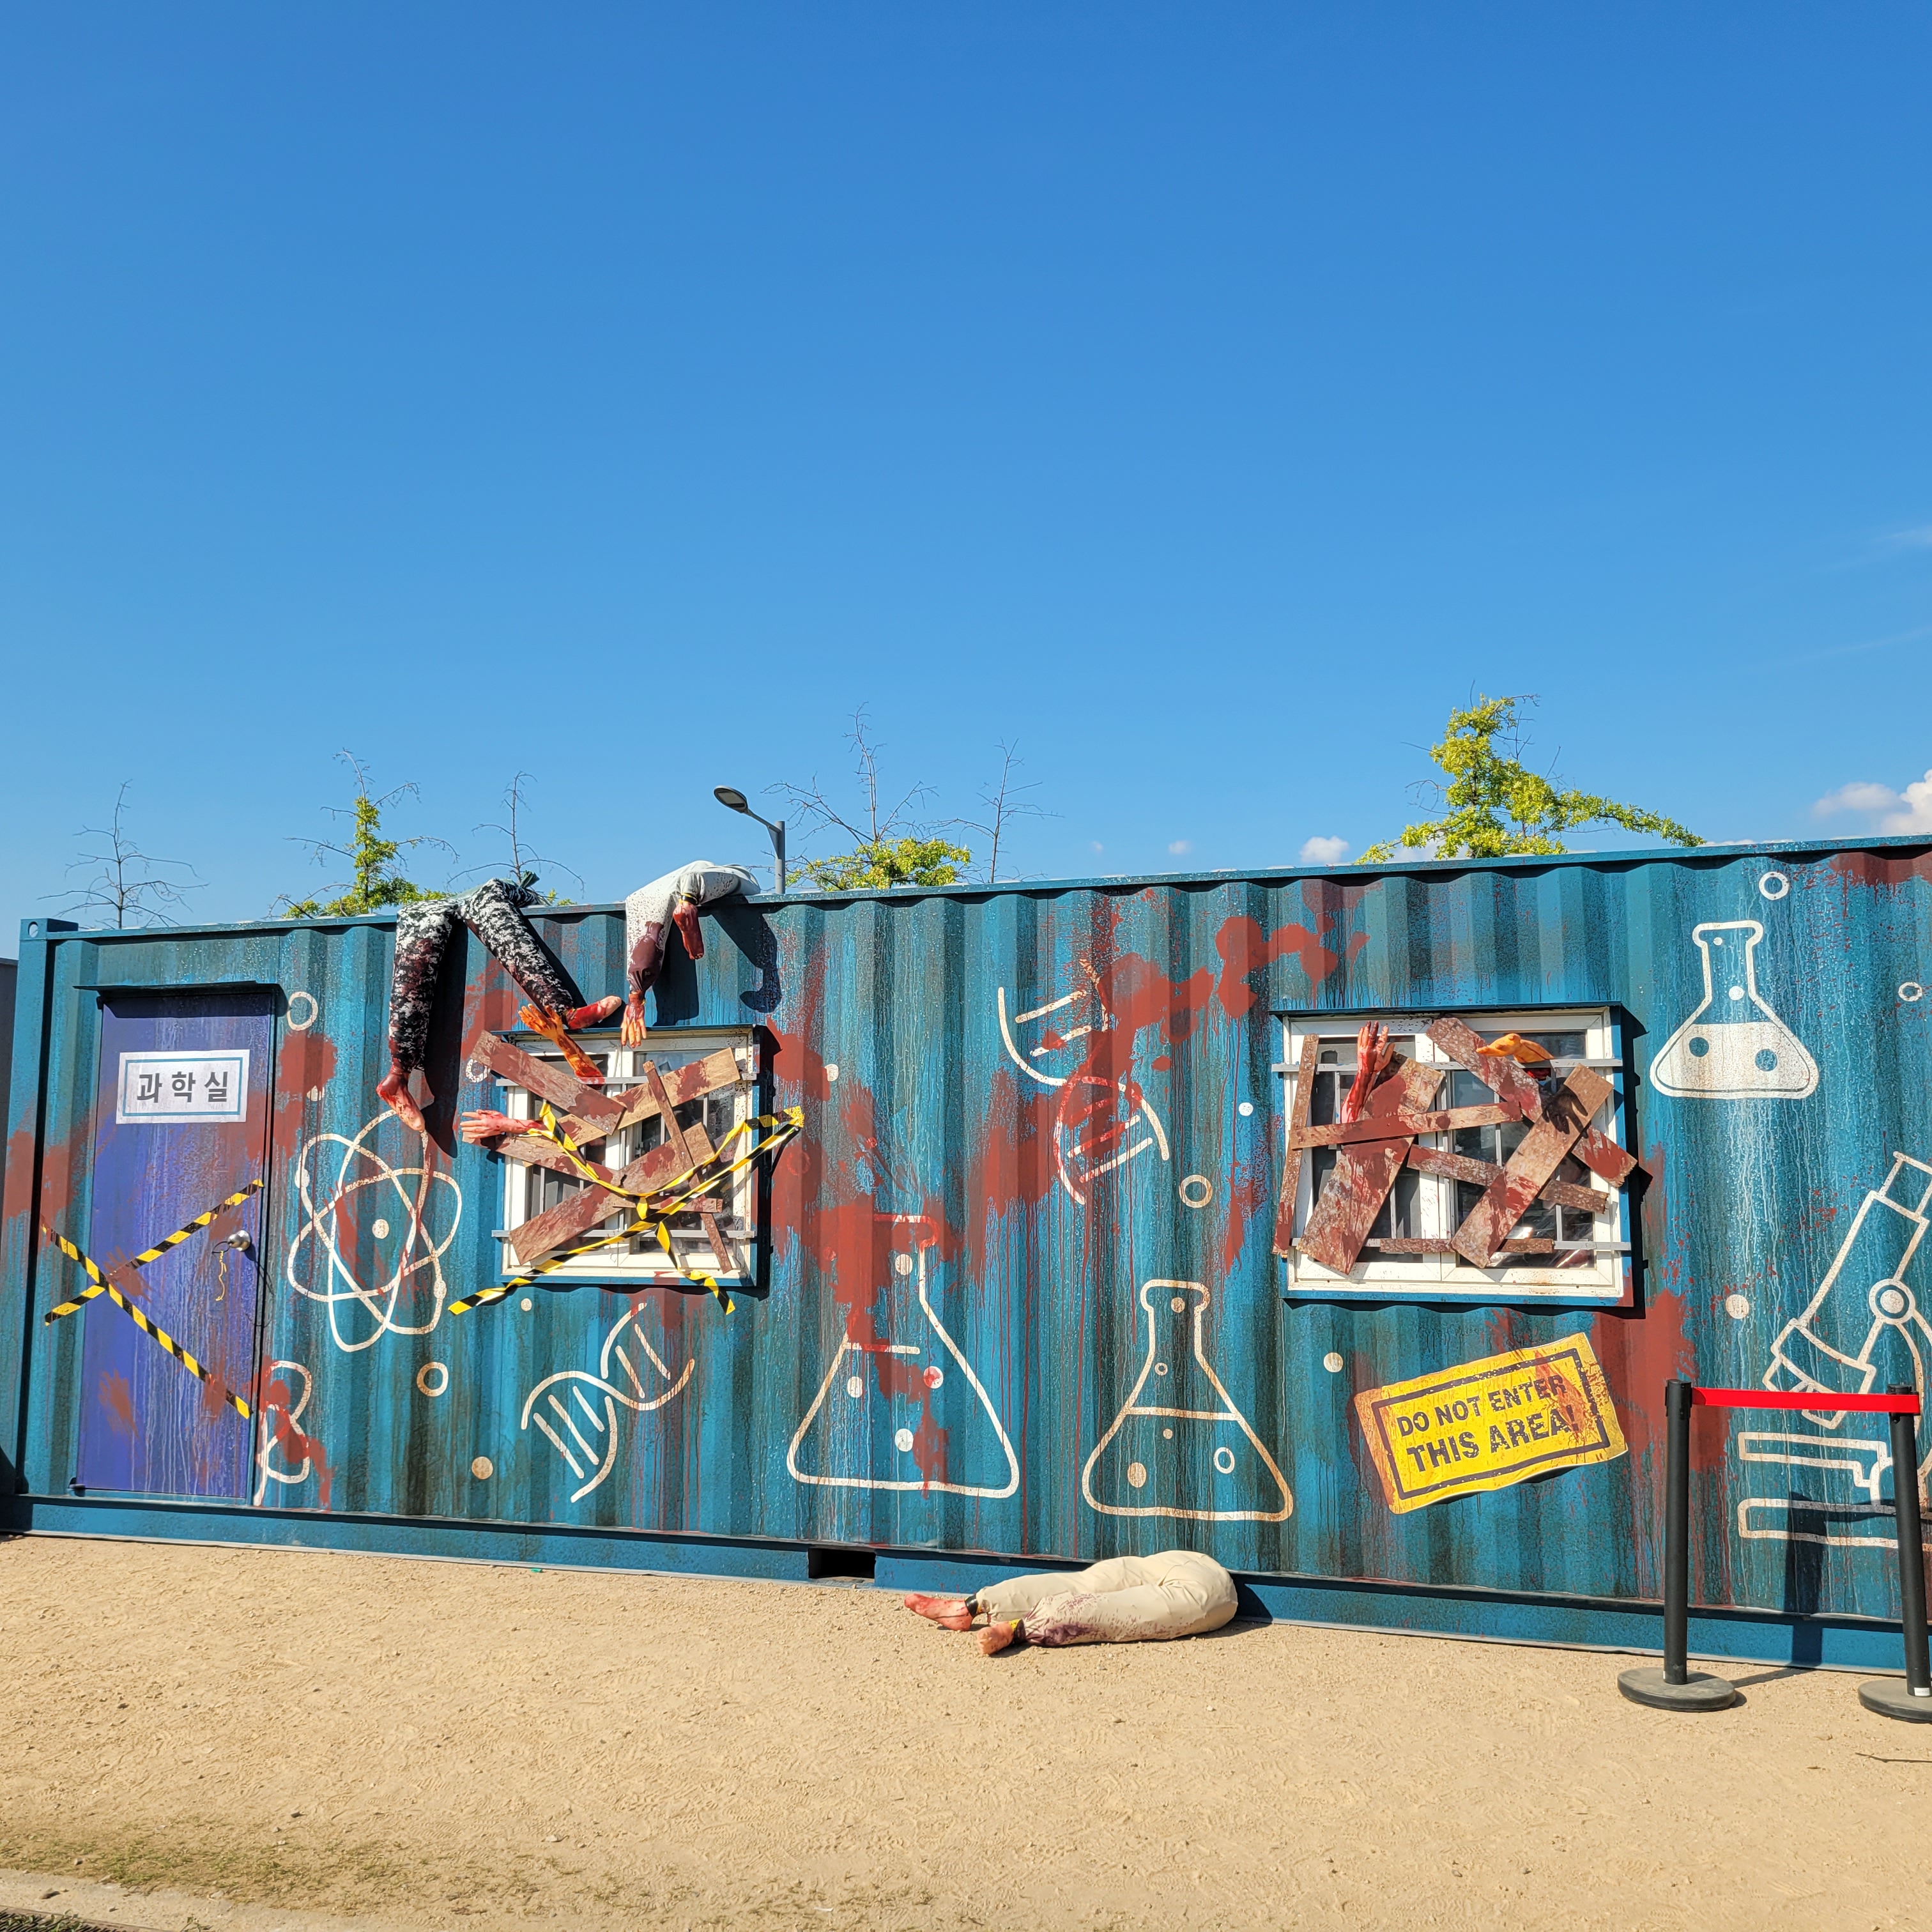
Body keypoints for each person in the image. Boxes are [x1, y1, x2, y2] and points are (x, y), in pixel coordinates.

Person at [376, 874, 620, 1135]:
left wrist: (509, 1125)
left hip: (469, 900)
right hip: (484, 897)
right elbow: (598, 1100)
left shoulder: (620, 1120)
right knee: (472, 907)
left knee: (431, 922)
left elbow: (598, 1116)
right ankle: (563, 1012)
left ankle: (399, 1073)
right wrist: (560, 1038)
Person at [905, 1549, 1239, 1655]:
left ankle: (1014, 1629)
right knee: (1088, 1584)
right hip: (1190, 1563)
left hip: (1210, 1595)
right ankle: (968, 1607)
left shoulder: (1215, 1599)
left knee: (1114, 1611)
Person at [620, 860, 758, 1046]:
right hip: (694, 884)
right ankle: (688, 899)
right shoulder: (727, 872)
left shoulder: (665, 885)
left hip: (646, 899)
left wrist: (636, 997)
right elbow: (697, 878)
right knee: (745, 880)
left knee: (647, 922)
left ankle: (688, 899)